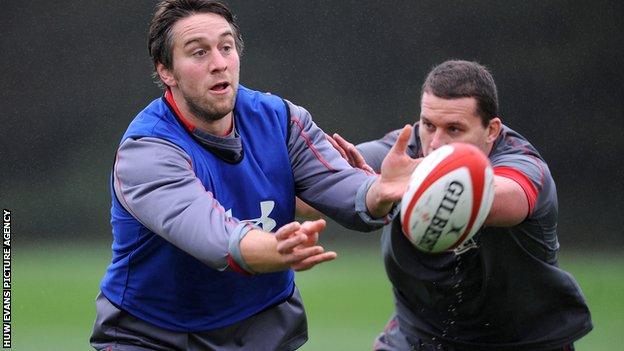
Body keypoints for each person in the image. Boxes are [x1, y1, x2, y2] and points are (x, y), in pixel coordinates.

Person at [89, 1, 418, 350]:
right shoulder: (146, 151)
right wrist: (274, 249)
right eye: (198, 52)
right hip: (154, 336)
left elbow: (339, 184)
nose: (219, 63)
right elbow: (211, 234)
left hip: (261, 329)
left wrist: (378, 191)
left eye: (226, 47)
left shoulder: (280, 119)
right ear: (167, 71)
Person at [331, 60, 592, 351]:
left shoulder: (522, 163)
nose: (435, 143)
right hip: (419, 337)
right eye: (428, 125)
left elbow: (509, 196)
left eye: (454, 129)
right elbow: (321, 187)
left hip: (523, 342)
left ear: (491, 130)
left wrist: (424, 184)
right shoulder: (406, 150)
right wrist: (360, 188)